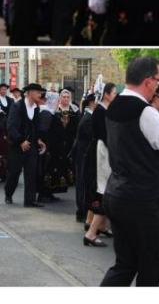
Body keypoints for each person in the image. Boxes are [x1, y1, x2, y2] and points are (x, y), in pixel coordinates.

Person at [100, 56, 159, 287]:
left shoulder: (113, 105)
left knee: (125, 263)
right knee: (149, 264)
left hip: (116, 192)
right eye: (158, 80)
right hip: (142, 199)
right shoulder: (145, 112)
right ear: (148, 81)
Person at [5, 83, 47, 207]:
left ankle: (30, 201)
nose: (40, 94)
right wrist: (21, 141)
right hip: (16, 146)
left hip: (31, 146)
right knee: (14, 172)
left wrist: (38, 140)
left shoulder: (36, 108)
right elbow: (11, 127)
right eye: (38, 92)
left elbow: (35, 127)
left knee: (31, 173)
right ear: (29, 93)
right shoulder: (17, 106)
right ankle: (8, 194)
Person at [85, 82, 117, 243]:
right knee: (103, 187)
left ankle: (98, 225)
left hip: (105, 148)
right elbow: (102, 134)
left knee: (104, 186)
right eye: (114, 93)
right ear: (106, 94)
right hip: (102, 150)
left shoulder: (106, 110)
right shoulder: (100, 111)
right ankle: (92, 229)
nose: (115, 96)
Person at [39, 88, 79, 203]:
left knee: (62, 167)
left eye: (67, 97)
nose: (65, 99)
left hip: (67, 143)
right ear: (60, 98)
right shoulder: (54, 109)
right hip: (54, 143)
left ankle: (53, 191)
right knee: (50, 166)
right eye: (63, 97)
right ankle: (45, 192)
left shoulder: (73, 109)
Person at [73, 93, 97, 224]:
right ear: (91, 103)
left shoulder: (89, 116)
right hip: (83, 155)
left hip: (84, 154)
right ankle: (81, 211)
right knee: (82, 183)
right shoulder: (88, 118)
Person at [0, 82, 15, 182]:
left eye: (5, 89)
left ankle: (6, 173)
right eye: (2, 89)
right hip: (0, 129)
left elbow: (13, 112)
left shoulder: (10, 100)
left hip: (8, 128)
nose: (4, 91)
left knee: (8, 151)